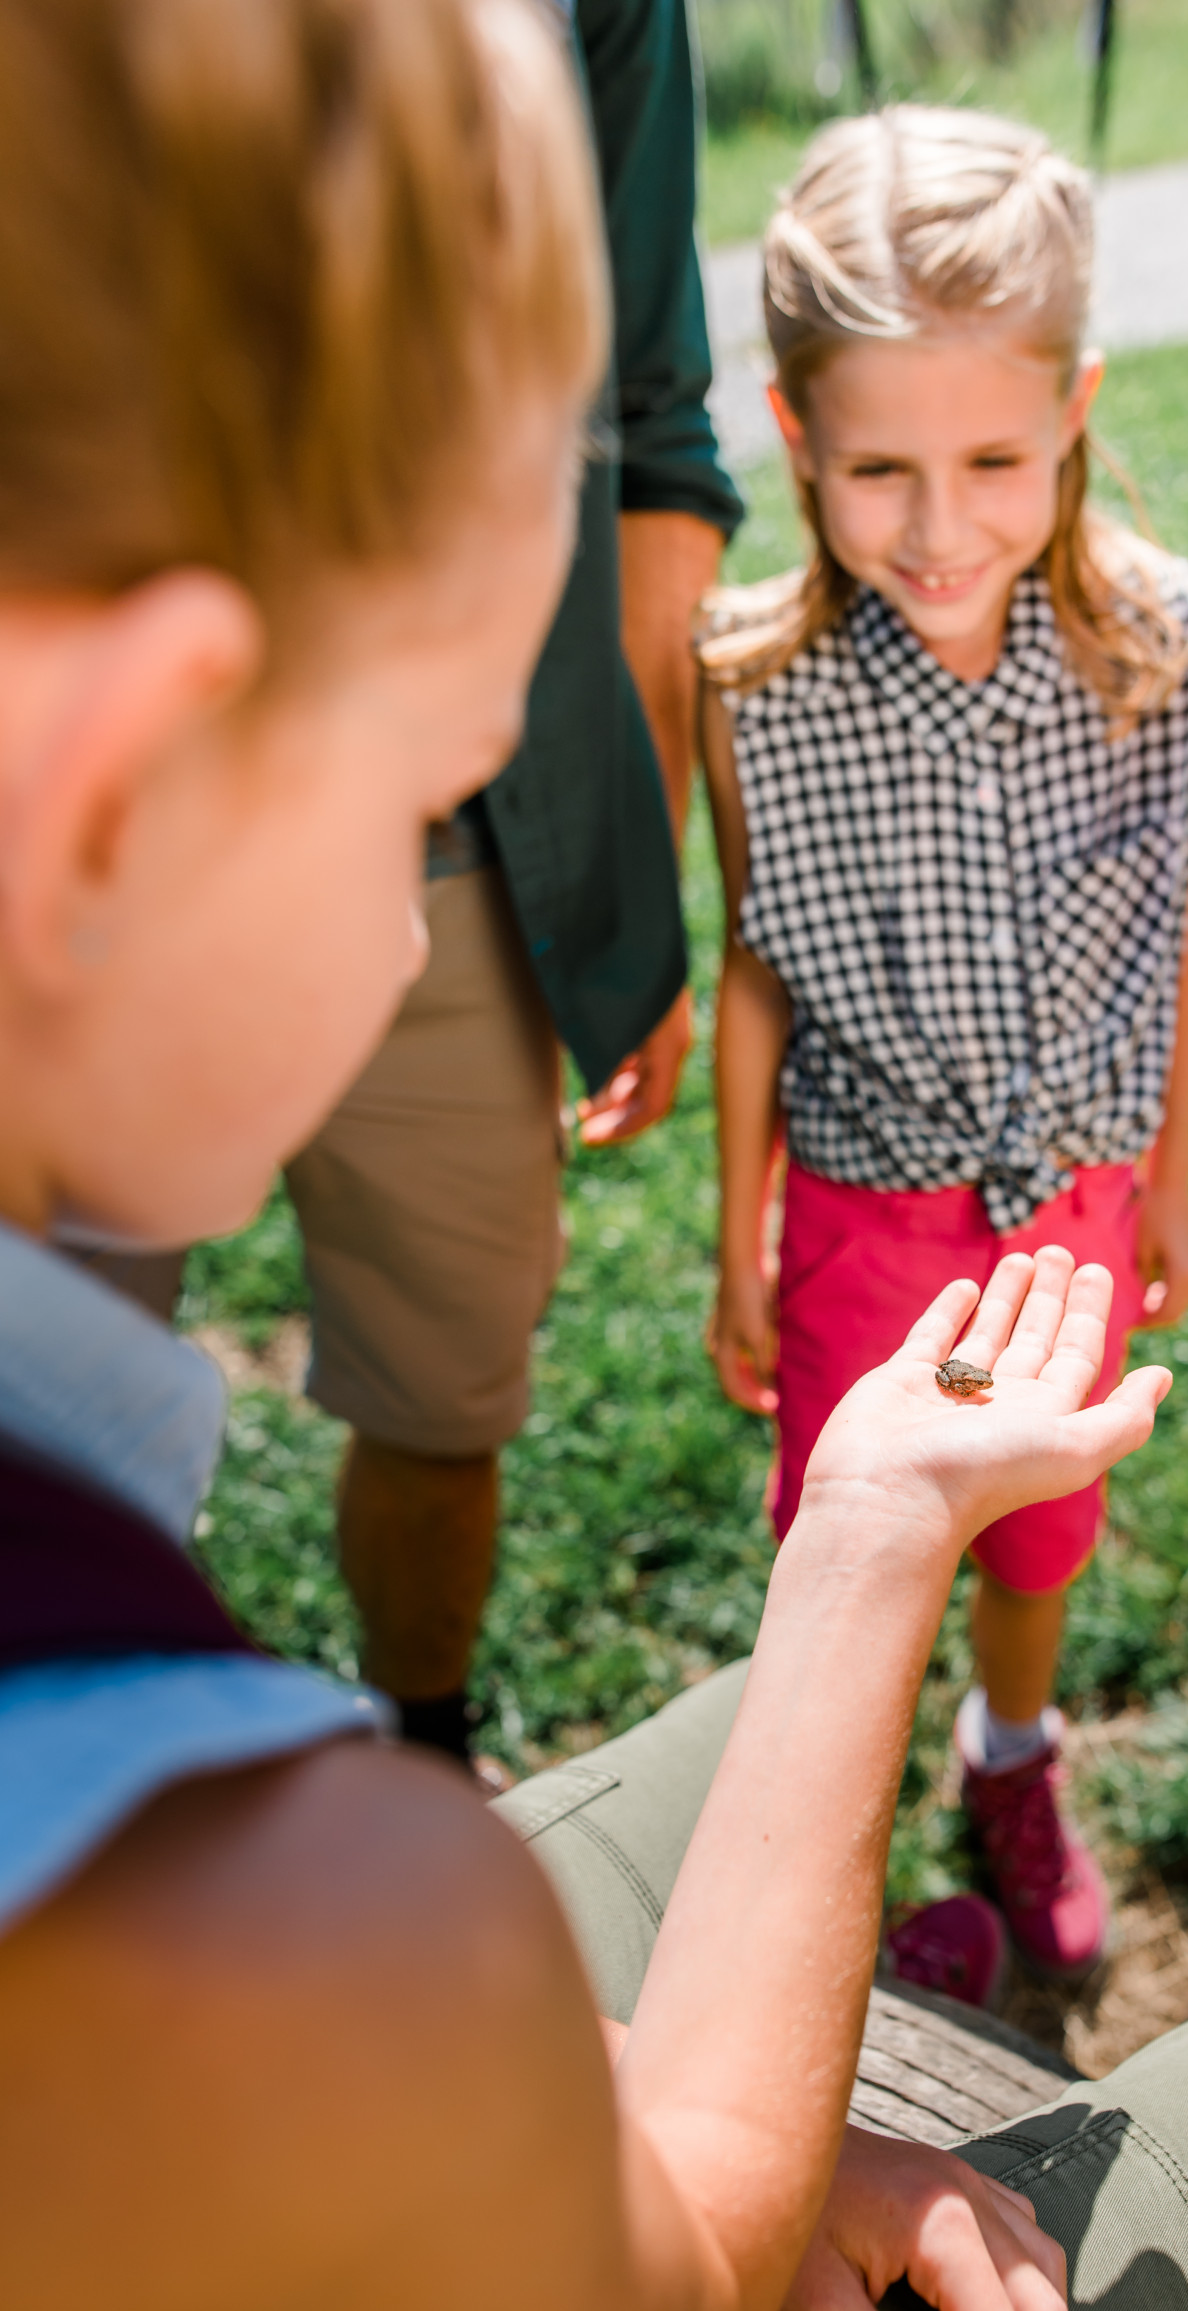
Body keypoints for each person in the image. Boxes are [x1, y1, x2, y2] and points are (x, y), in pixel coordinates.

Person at [2, 8, 1188, 2311]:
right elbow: (661, 2301)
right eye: (409, 798)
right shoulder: (222, 1850)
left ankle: (977, 1842)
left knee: (743, 1747)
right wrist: (880, 1521)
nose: (399, 941)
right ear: (130, 780)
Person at [78, 0, 742, 1777]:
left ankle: (424, 1746)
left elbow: (652, 431)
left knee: (448, 1399)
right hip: (95, 887)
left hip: (472, 871)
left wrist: (623, 864)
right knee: (60, 1425)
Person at [698, 109, 1188, 1990]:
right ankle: (843, 1847)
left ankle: (1011, 1763)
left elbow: (1173, 913)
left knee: (1036, 1527)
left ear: (1072, 408)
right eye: (878, 468)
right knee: (863, 1549)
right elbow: (755, 961)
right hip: (856, 1209)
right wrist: (737, 1233)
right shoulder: (752, 682)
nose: (937, 526)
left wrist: (1158, 1171)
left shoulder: (1156, 640)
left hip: (1067, 1197)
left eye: (994, 458)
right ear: (792, 437)